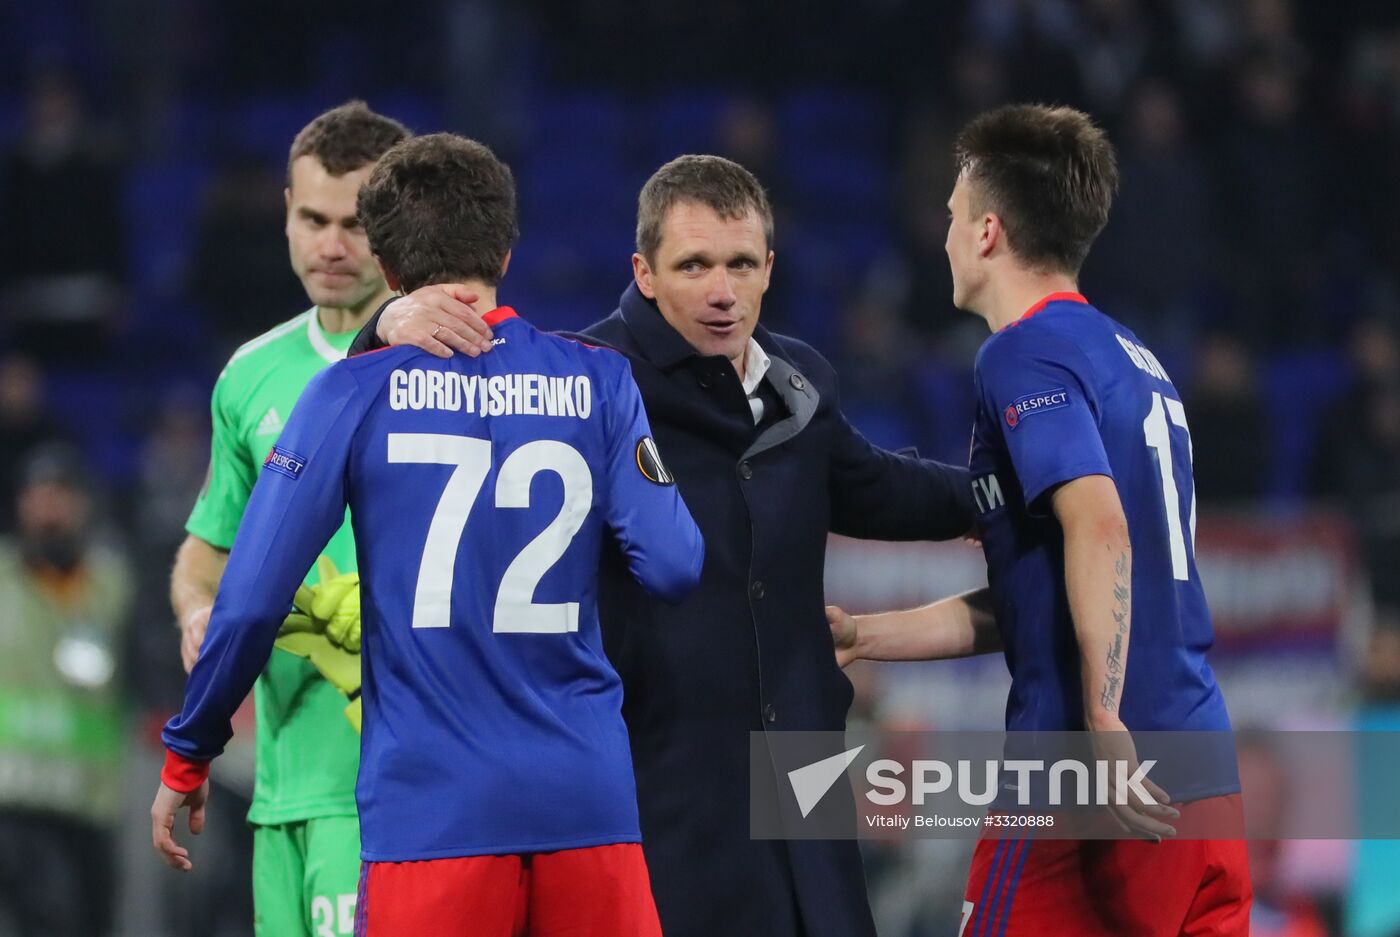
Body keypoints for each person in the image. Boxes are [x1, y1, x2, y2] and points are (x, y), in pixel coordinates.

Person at [350, 154, 974, 937]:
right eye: (695, 266)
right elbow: (419, 405)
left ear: (770, 267)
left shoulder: (798, 383)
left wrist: (1015, 492)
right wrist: (382, 326)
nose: (722, 290)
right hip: (659, 778)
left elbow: (879, 486)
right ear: (644, 272)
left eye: (741, 263)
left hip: (804, 772)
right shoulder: (584, 383)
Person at [152, 132, 703, 937]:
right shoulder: (599, 380)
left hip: (430, 813)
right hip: (586, 798)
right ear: (507, 250)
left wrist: (189, 750)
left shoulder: (348, 390)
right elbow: (678, 564)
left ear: (388, 262)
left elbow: (250, 599)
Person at [827, 104, 1251, 936]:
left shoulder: (1021, 353)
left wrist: (1101, 716)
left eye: (952, 217)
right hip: (1203, 775)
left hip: (1092, 780)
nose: (943, 236)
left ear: (987, 233)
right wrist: (865, 635)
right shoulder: (1137, 360)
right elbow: (1050, 592)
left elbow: (1098, 526)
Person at [167, 101, 490, 937]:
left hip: (398, 782)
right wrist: (199, 612)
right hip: (282, 780)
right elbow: (204, 555)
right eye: (312, 218)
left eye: (353, 223)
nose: (333, 245)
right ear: (285, 212)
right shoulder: (249, 376)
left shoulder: (455, 358)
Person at [0, 448, 132, 936]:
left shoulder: (113, 583)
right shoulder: (3, 580)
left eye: (60, 496)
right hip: (14, 798)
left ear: (82, 505)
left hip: (91, 803)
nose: (49, 509)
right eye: (37, 496)